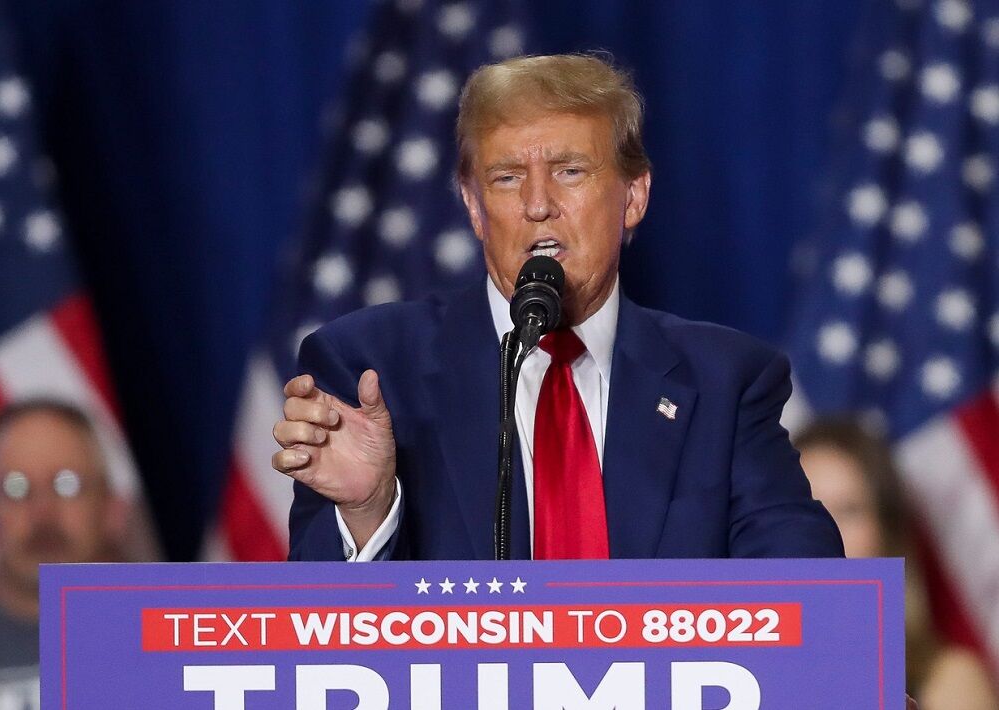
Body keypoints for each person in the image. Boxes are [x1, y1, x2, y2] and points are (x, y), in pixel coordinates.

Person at [272, 53, 844, 563]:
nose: (538, 205)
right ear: (474, 207)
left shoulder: (726, 381)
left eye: (570, 171)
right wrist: (368, 513)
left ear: (634, 195)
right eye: (506, 178)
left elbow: (804, 587)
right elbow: (316, 639)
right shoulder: (372, 368)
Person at [796, 418, 997, 710]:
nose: (825, 529)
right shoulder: (732, 662)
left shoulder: (948, 679)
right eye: (808, 508)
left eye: (848, 510)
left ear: (885, 532)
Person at [0, 399, 125, 709]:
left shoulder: (179, 642)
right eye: (16, 488)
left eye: (66, 484)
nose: (42, 512)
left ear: (112, 508)